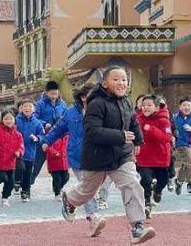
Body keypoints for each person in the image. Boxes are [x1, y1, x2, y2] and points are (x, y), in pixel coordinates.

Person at [60, 66, 154, 244]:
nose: (121, 83)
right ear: (104, 83)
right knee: (88, 190)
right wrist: (120, 136)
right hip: (97, 156)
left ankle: (137, 227)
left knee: (132, 184)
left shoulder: (126, 101)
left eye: (124, 79)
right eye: (116, 79)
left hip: (121, 156)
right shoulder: (96, 103)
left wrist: (138, 141)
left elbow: (132, 121)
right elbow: (92, 131)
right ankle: (70, 201)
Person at [41, 83, 107, 237]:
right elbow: (58, 128)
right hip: (78, 156)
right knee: (88, 186)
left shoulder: (102, 110)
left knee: (92, 187)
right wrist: (46, 141)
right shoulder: (70, 113)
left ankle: (70, 200)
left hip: (99, 155)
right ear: (83, 97)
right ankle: (94, 217)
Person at [98, 94, 145, 210]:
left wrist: (138, 142)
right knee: (99, 182)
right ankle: (100, 199)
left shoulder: (127, 105)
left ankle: (138, 218)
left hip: (124, 151)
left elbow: (134, 125)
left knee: (132, 181)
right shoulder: (99, 105)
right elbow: (94, 130)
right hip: (105, 151)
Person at [136, 94, 173, 219]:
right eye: (143, 105)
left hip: (160, 157)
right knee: (145, 179)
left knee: (163, 180)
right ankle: (146, 203)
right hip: (144, 156)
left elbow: (167, 138)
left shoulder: (164, 120)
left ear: (157, 107)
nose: (145, 108)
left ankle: (157, 191)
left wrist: (151, 129)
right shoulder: (137, 119)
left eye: (149, 105)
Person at [30, 81, 67, 185]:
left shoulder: (63, 105)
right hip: (44, 137)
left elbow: (65, 119)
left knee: (60, 165)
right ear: (46, 93)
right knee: (37, 164)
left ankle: (58, 187)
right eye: (51, 94)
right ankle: (27, 185)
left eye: (56, 94)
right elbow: (34, 118)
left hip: (58, 138)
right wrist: (45, 123)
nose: (54, 96)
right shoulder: (40, 104)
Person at [0, 109, 24, 207]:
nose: (8, 121)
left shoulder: (18, 134)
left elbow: (21, 146)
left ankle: (5, 198)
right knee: (2, 177)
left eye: (10, 119)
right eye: (6, 119)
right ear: (2, 120)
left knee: (10, 182)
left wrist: (18, 152)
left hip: (10, 162)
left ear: (14, 120)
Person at [14, 99, 44, 202]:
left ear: (34, 109)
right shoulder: (16, 120)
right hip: (18, 151)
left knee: (27, 173)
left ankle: (25, 192)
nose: (27, 108)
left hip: (31, 152)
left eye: (29, 106)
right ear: (21, 108)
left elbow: (42, 135)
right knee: (19, 168)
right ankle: (16, 182)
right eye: (25, 106)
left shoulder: (37, 122)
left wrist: (37, 138)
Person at [172, 97, 191, 195]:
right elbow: (168, 128)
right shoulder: (174, 118)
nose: (186, 107)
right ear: (180, 107)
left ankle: (179, 181)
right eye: (184, 105)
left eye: (189, 105)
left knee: (186, 165)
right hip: (180, 144)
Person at [45, 133, 69, 200]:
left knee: (66, 177)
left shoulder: (67, 137)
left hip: (64, 161)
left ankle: (59, 188)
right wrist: (54, 152)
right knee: (57, 178)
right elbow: (47, 146)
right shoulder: (51, 136)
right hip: (54, 162)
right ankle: (57, 193)